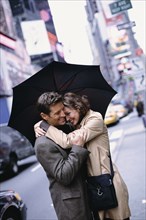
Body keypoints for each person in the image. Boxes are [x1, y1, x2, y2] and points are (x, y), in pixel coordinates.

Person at [35, 92, 131, 220]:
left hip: (107, 182)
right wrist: (42, 124)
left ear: (78, 107)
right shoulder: (78, 124)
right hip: (96, 187)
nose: (65, 116)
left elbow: (68, 141)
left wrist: (43, 125)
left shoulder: (94, 119)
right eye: (59, 113)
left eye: (67, 113)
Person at [34, 92, 94, 220]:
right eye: (57, 113)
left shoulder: (67, 128)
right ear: (44, 116)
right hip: (72, 208)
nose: (63, 115)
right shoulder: (43, 144)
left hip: (88, 196)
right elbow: (64, 175)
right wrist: (77, 149)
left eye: (62, 109)